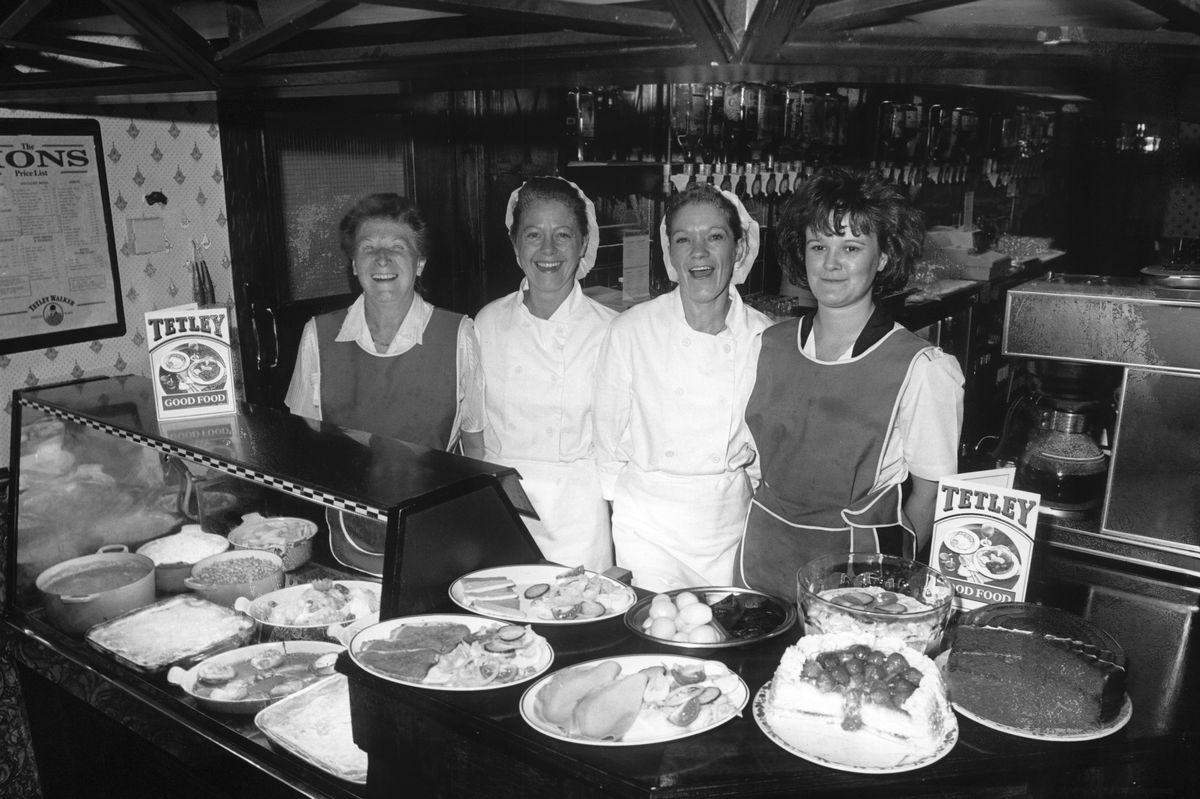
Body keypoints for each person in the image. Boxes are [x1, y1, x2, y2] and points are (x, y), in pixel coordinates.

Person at [738, 165, 964, 601]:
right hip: (762, 569)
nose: (831, 264)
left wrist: (890, 578)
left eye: (852, 247)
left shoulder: (921, 367)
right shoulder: (767, 344)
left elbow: (931, 494)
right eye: (818, 245)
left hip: (858, 585)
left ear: (882, 257)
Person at [593, 183, 772, 591]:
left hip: (729, 526)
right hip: (648, 529)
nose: (699, 253)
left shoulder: (765, 339)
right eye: (683, 240)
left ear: (739, 249)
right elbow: (606, 441)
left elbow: (766, 454)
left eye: (714, 237)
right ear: (669, 254)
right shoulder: (631, 330)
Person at [475, 177, 618, 571]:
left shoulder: (612, 331)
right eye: (534, 234)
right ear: (515, 244)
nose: (549, 250)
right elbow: (470, 431)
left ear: (584, 243)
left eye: (563, 235)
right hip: (502, 506)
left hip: (579, 517)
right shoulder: (486, 324)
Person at [285, 193, 485, 457]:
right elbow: (303, 440)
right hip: (343, 493)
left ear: (420, 263)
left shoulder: (459, 334)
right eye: (368, 248)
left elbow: (474, 447)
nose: (382, 258)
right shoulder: (317, 335)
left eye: (397, 247)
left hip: (434, 494)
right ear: (355, 265)